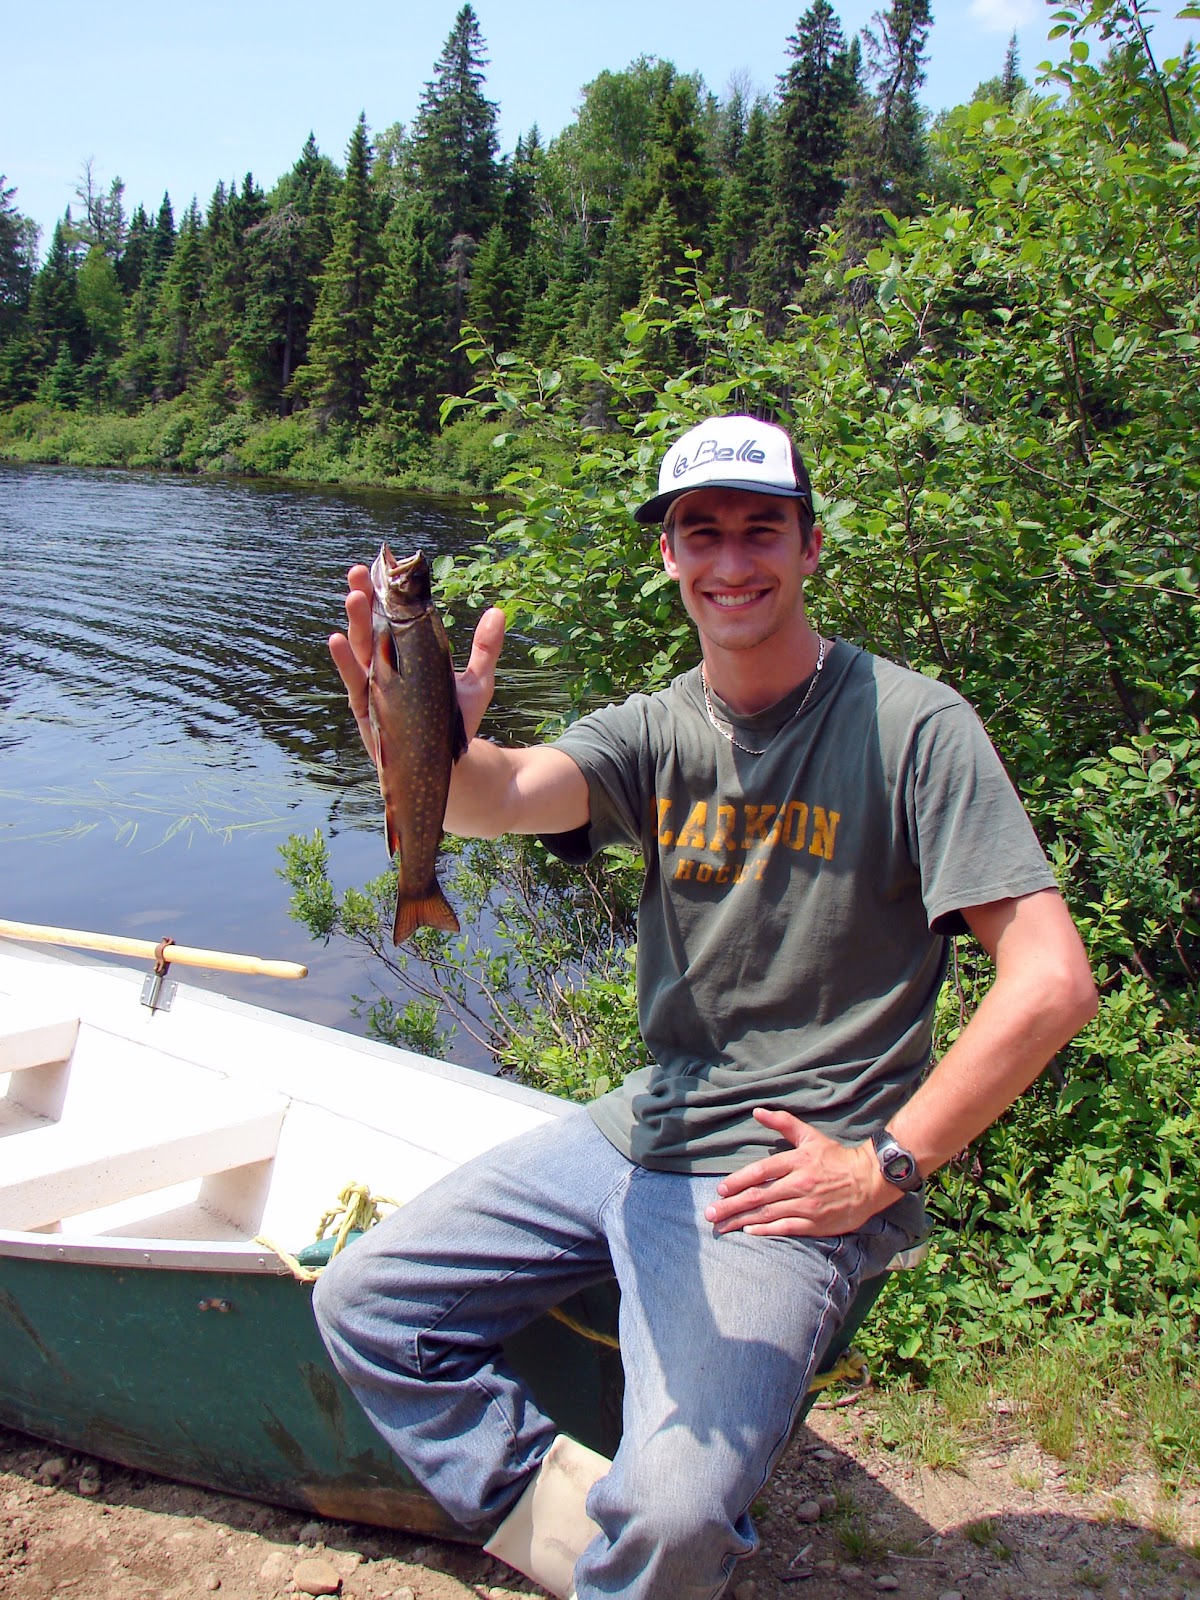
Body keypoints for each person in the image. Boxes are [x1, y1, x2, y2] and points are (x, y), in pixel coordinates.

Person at [315, 414, 1097, 1600]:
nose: (732, 560)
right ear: (670, 558)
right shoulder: (657, 727)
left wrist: (886, 1162)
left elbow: (1051, 981)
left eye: (760, 529)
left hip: (778, 1179)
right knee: (367, 1305)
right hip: (640, 1127)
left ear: (813, 546)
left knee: (680, 1516)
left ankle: (652, 1545)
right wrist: (424, 738)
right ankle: (590, 1548)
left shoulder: (913, 727)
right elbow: (503, 794)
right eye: (702, 534)